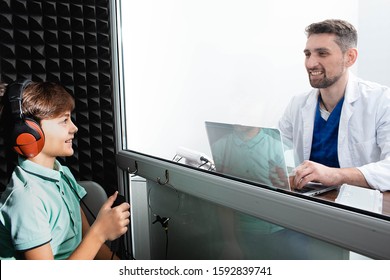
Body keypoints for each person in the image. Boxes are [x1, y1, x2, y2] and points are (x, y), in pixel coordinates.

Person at [0, 80, 131, 260]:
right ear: (29, 132)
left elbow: (85, 242)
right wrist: (100, 232)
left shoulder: (61, 173)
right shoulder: (26, 199)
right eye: (64, 120)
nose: (74, 128)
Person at [279, 19, 390, 192]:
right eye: (308, 54)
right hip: (309, 203)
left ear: (350, 57)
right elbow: (275, 149)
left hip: (361, 210)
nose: (310, 63)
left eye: (322, 53)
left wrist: (334, 175)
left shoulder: (381, 101)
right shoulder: (298, 103)